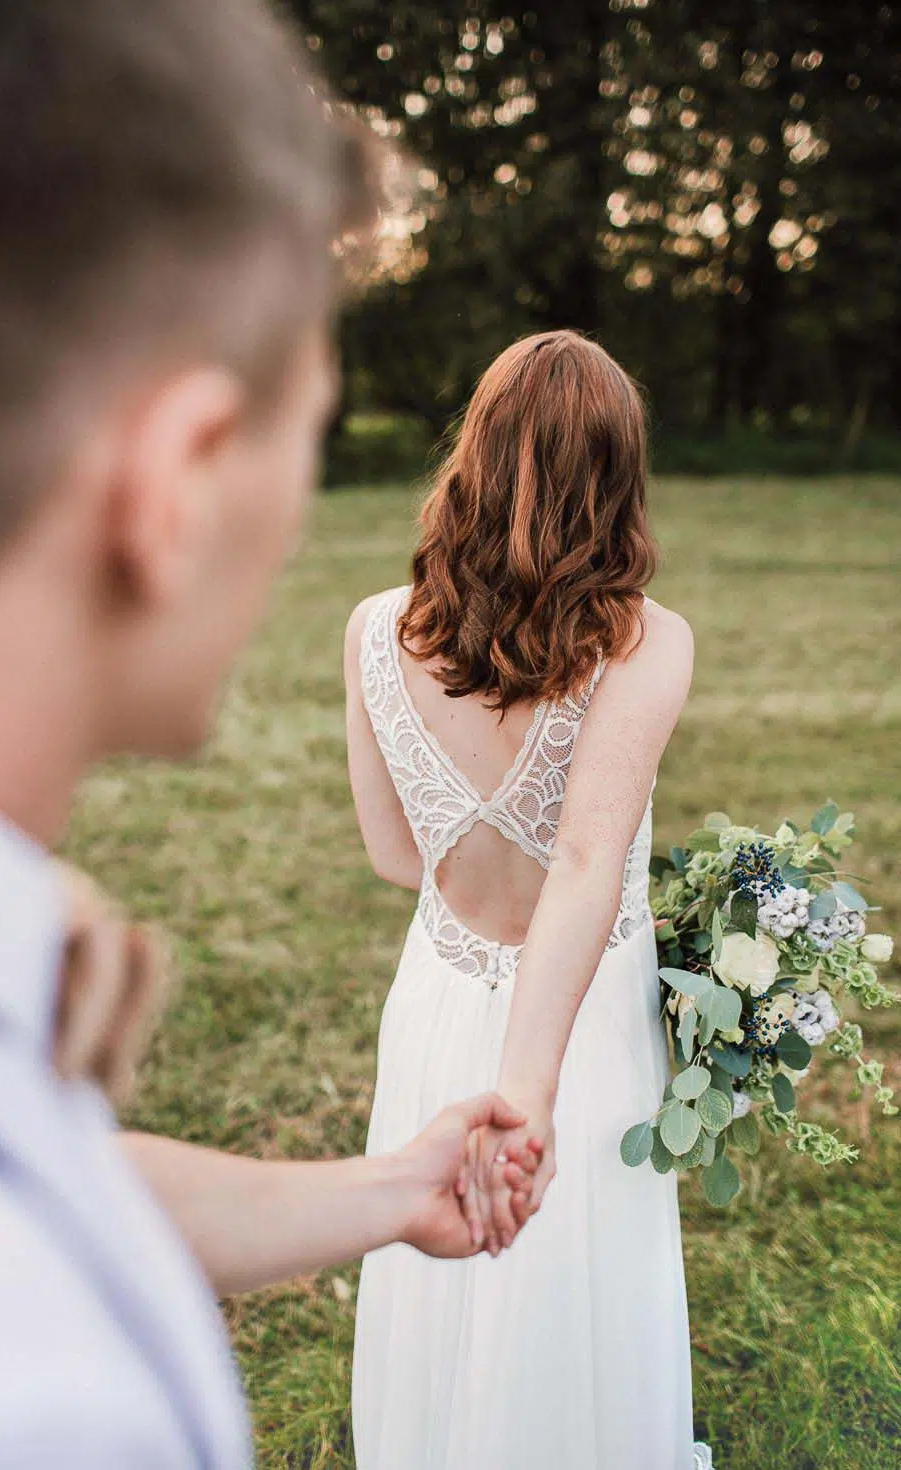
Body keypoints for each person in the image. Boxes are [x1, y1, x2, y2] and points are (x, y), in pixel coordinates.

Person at [0, 3, 538, 1466]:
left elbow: (64, 1186)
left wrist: (388, 1186)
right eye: (303, 433)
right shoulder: (28, 1390)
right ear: (179, 481)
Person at [346, 331, 715, 1469]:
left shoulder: (372, 630)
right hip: (573, 1016)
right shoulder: (646, 645)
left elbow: (394, 859)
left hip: (439, 992)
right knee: (574, 1277)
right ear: (614, 479)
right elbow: (583, 864)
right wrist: (530, 1088)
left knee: (433, 1262)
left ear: (474, 453)